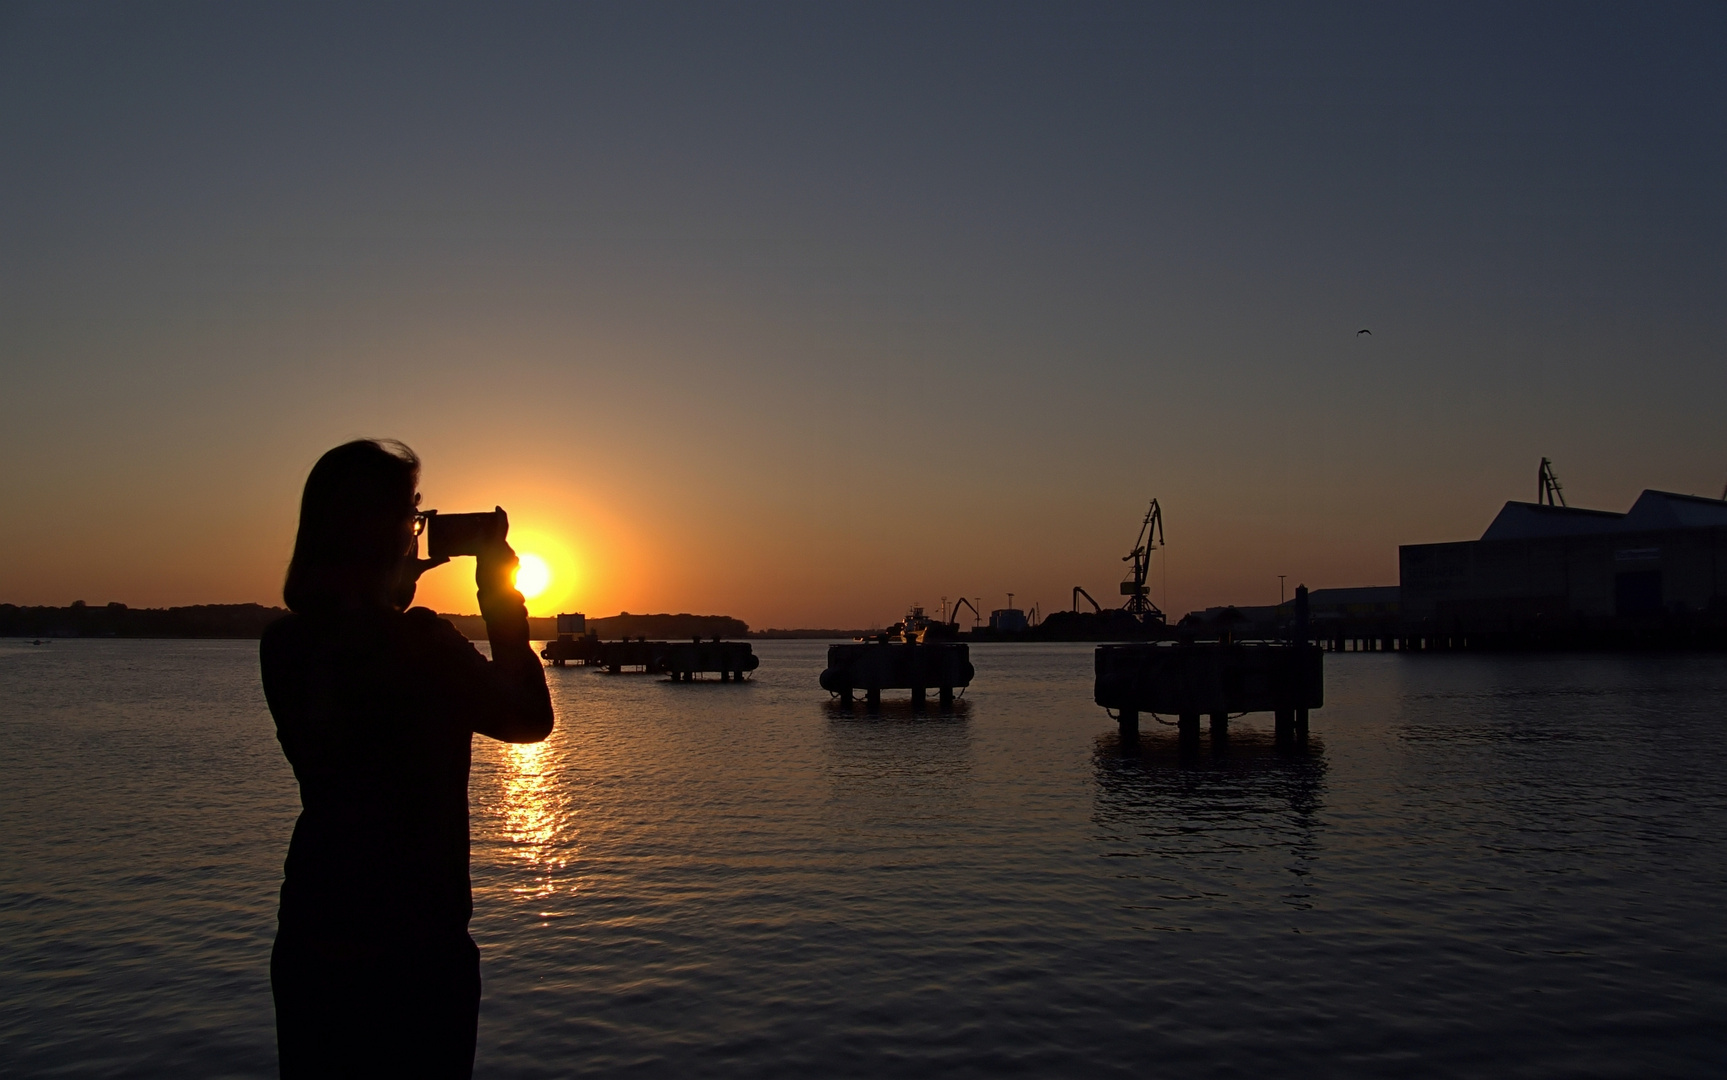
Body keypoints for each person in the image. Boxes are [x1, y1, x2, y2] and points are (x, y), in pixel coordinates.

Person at [260, 439, 553, 1078]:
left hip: (315, 928)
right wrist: (501, 596)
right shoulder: (421, 643)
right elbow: (531, 719)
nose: (418, 531)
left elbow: (354, 643)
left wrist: (392, 582)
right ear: (381, 532)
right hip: (415, 944)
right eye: (412, 517)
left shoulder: (283, 646)